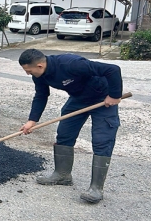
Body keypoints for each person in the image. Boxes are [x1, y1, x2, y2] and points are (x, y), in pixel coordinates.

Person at [18, 49, 123, 203]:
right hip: (79, 99)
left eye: (29, 70)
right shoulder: (39, 75)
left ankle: (96, 189)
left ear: (40, 66)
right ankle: (62, 175)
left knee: (102, 139)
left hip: (102, 98)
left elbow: (112, 70)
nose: (28, 74)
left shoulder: (71, 64)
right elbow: (41, 95)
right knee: (64, 133)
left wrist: (114, 95)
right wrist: (32, 120)